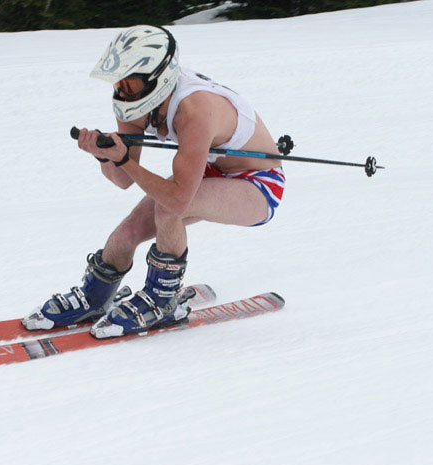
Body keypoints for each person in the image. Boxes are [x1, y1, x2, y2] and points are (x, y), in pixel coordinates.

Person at [22, 25, 285, 338]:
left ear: (158, 79)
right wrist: (104, 155)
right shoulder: (132, 101)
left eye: (130, 84)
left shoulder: (195, 111)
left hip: (257, 183)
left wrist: (122, 160)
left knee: (167, 210)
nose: (121, 91)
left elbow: (175, 200)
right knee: (127, 232)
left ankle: (164, 300)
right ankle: (95, 297)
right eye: (118, 82)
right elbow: (122, 179)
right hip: (207, 170)